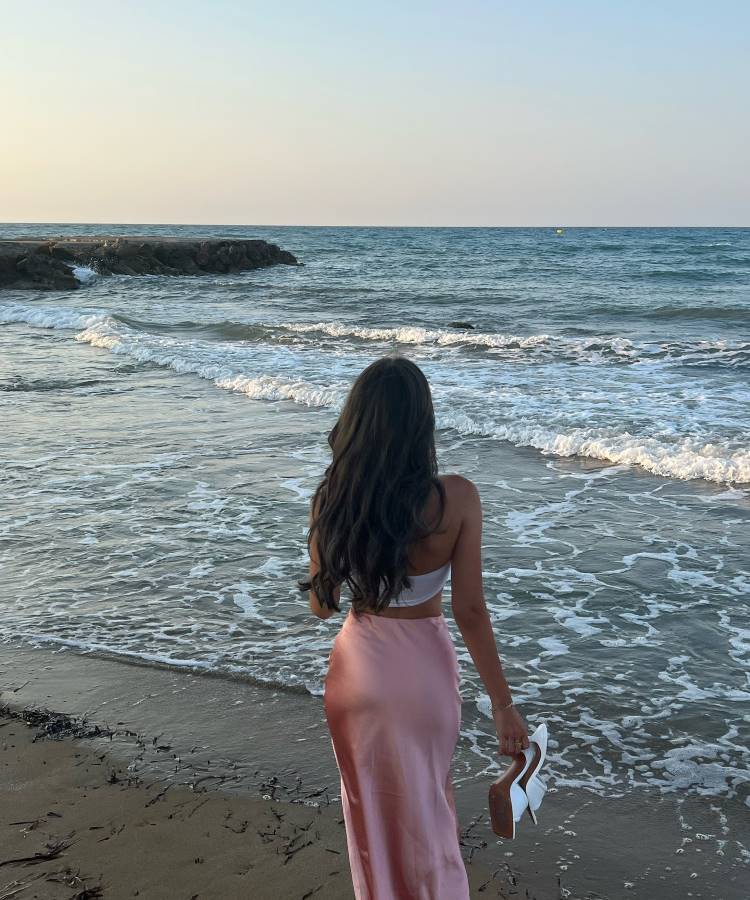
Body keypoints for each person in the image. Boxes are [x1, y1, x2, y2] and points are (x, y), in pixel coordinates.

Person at [300, 355, 529, 900]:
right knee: (427, 810)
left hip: (357, 672)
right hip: (423, 672)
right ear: (421, 424)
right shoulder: (457, 498)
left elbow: (322, 607)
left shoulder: (333, 498)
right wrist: (503, 705)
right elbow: (470, 612)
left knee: (369, 814)